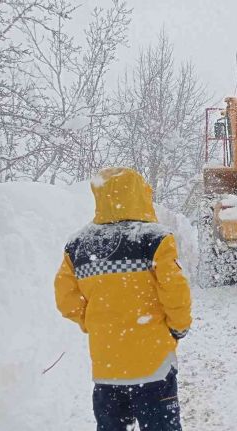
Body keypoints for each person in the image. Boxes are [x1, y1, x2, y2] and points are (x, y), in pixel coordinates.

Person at [54, 167, 192, 430]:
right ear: (140, 194)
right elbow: (176, 290)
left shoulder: (77, 245)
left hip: (108, 369)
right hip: (154, 367)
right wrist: (178, 327)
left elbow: (65, 298)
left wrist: (93, 323)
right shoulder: (155, 239)